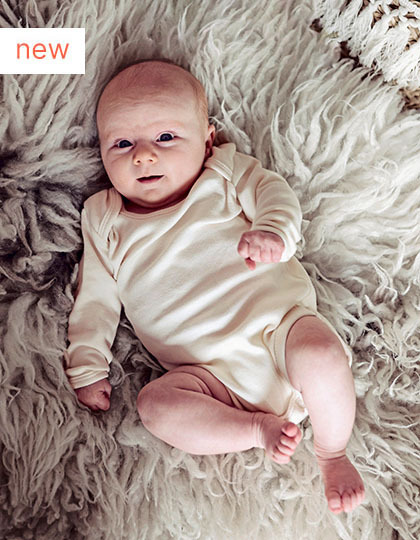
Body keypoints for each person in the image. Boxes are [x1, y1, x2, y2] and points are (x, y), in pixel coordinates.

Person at [65, 60, 365, 514]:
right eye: (122, 143)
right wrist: (87, 365)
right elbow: (95, 299)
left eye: (166, 137)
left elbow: (274, 193)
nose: (143, 156)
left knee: (322, 353)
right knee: (155, 405)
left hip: (279, 332)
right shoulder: (104, 219)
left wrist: (273, 231)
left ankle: (332, 451)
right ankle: (254, 429)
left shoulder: (222, 172)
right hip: (206, 377)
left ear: (207, 141)